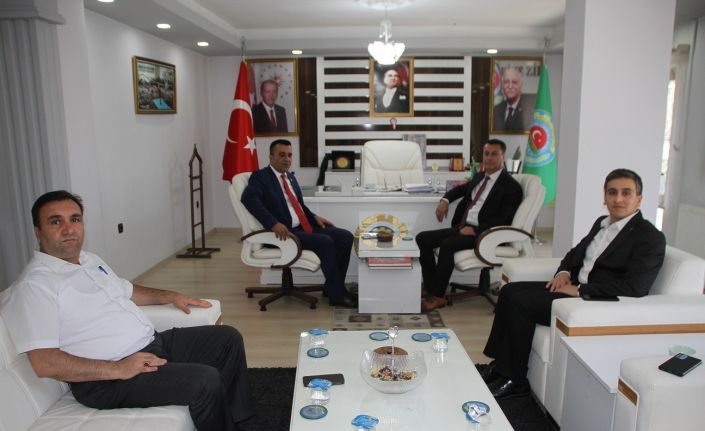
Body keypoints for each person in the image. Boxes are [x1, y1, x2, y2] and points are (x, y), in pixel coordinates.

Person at [0, 191, 253, 431]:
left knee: (227, 339)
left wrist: (169, 296)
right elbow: (44, 362)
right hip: (107, 380)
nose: (68, 229)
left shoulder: (89, 260)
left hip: (151, 345)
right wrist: (119, 369)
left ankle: (238, 421)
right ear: (37, 231)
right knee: (204, 381)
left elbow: (127, 291)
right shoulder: (35, 286)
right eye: (56, 221)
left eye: (74, 219)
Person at [481, 169, 666, 399]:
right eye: (612, 192)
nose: (618, 199)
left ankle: (515, 379)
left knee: (521, 302)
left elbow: (635, 287)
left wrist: (579, 290)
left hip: (594, 300)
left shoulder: (649, 237)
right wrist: (564, 272)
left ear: (639, 199)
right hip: (575, 287)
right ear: (604, 197)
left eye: (626, 193)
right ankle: (500, 365)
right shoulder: (601, 224)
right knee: (509, 290)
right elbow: (574, 253)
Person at [241, 139, 357, 308]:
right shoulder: (260, 177)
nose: (286, 159)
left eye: (289, 155)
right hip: (282, 234)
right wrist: (273, 223)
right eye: (281, 155)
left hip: (303, 227)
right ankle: (337, 295)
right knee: (326, 242)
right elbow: (248, 199)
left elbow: (299, 205)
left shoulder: (290, 177)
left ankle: (331, 286)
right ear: (271, 157)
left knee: (345, 237)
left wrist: (314, 217)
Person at [416, 139, 523, 311]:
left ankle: (438, 296)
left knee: (448, 245)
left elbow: (504, 219)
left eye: (494, 154)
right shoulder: (481, 176)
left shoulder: (511, 187)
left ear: (503, 156)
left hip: (485, 234)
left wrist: (475, 230)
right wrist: (445, 200)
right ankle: (431, 287)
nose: (489, 158)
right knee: (422, 238)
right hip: (463, 227)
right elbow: (460, 190)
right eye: (486, 154)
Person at [492, 66, 535, 131]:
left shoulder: (530, 109)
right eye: (506, 82)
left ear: (521, 85)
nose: (510, 86)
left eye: (514, 82)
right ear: (502, 85)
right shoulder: (496, 110)